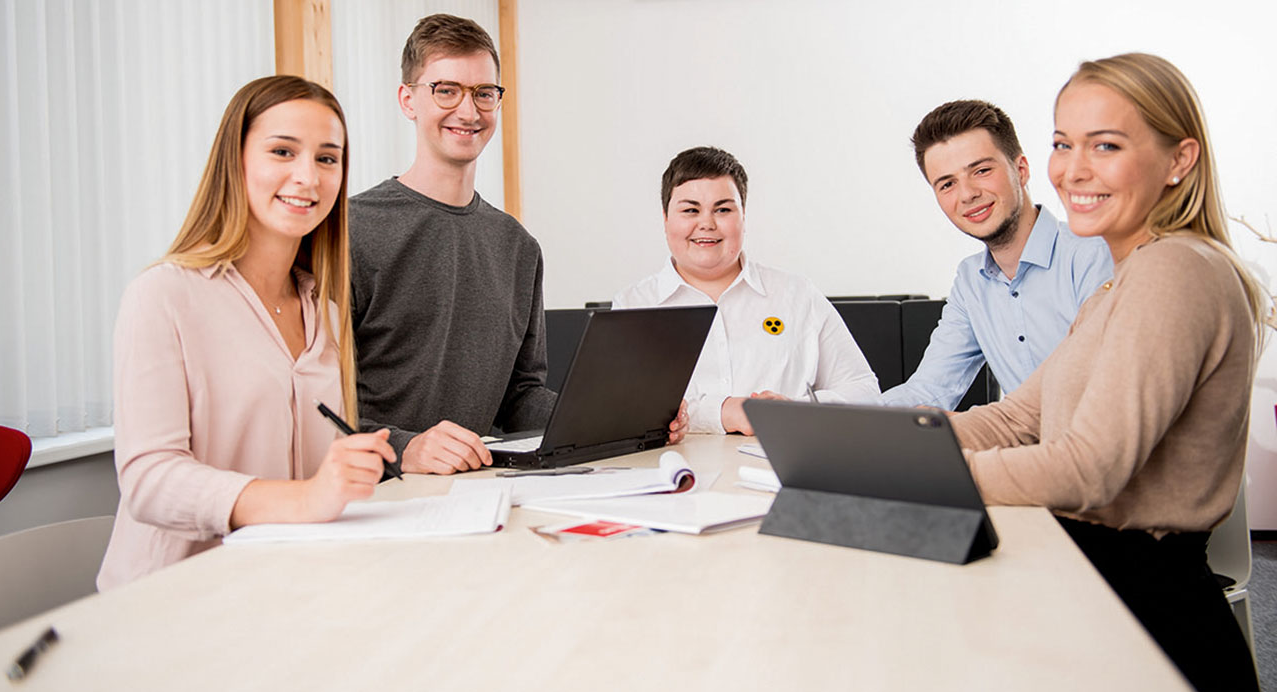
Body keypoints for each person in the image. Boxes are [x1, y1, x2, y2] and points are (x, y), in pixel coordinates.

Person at [951, 53, 1265, 692]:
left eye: (1107, 145)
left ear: (1180, 159)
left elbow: (1088, 470)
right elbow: (1015, 420)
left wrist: (923, 471)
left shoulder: (1175, 272)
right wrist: (881, 443)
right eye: (1064, 143)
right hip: (1097, 596)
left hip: (1146, 621)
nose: (1074, 170)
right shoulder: (1120, 284)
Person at [349, 15, 688, 473]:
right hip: (378, 494)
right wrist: (406, 448)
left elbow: (521, 397)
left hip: (481, 492)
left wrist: (623, 418)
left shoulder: (518, 247)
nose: (468, 112)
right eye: (445, 90)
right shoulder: (352, 230)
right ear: (407, 99)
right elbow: (311, 406)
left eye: (484, 93)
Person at [97, 76, 395, 590]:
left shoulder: (324, 311)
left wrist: (349, 470)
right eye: (283, 151)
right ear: (234, 162)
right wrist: (306, 498)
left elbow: (319, 481)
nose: (308, 177)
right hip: (173, 599)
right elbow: (149, 480)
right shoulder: (163, 295)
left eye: (328, 158)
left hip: (287, 586)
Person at [614, 146, 881, 435]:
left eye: (723, 210)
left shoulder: (797, 294)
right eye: (691, 210)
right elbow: (620, 410)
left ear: (743, 217)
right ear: (666, 218)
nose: (707, 224)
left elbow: (866, 392)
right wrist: (723, 413)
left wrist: (796, 410)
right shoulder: (633, 305)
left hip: (781, 470)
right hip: (674, 475)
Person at [881, 101, 1112, 410]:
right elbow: (930, 390)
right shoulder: (970, 281)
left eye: (981, 170)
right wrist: (830, 420)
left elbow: (1104, 393)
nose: (967, 194)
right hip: (1029, 450)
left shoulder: (1093, 256)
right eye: (947, 184)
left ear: (1021, 170)